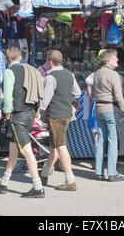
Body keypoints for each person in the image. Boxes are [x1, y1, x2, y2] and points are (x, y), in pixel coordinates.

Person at [0, 46, 45, 198]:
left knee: (26, 151)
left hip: (17, 115)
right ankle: (4, 182)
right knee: (13, 148)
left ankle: (38, 187)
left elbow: (8, 96)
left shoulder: (9, 72)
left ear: (6, 59)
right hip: (29, 112)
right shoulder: (30, 70)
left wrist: (7, 113)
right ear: (21, 57)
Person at [39, 49, 81, 191]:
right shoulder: (69, 74)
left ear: (50, 62)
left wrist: (38, 112)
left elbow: (45, 100)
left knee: (60, 146)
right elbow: (77, 93)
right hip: (67, 113)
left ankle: (70, 180)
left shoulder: (50, 78)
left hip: (55, 115)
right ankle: (45, 173)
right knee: (55, 145)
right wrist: (66, 99)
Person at [93, 49, 124, 182]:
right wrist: (123, 108)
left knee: (101, 140)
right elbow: (118, 94)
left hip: (99, 108)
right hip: (110, 108)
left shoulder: (97, 73)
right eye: (115, 58)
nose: (117, 60)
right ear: (108, 60)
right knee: (113, 141)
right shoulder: (113, 75)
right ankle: (112, 172)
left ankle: (99, 172)